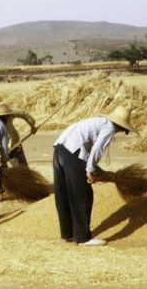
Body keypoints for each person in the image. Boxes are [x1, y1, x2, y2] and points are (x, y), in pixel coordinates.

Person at [52, 105, 135, 246]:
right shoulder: (109, 127)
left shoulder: (98, 122)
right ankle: (83, 237)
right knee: (82, 194)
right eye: (123, 129)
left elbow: (85, 152)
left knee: (64, 193)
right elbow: (96, 149)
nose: (121, 131)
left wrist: (99, 171)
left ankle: (68, 233)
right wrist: (90, 170)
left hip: (59, 150)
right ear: (121, 126)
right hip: (71, 152)